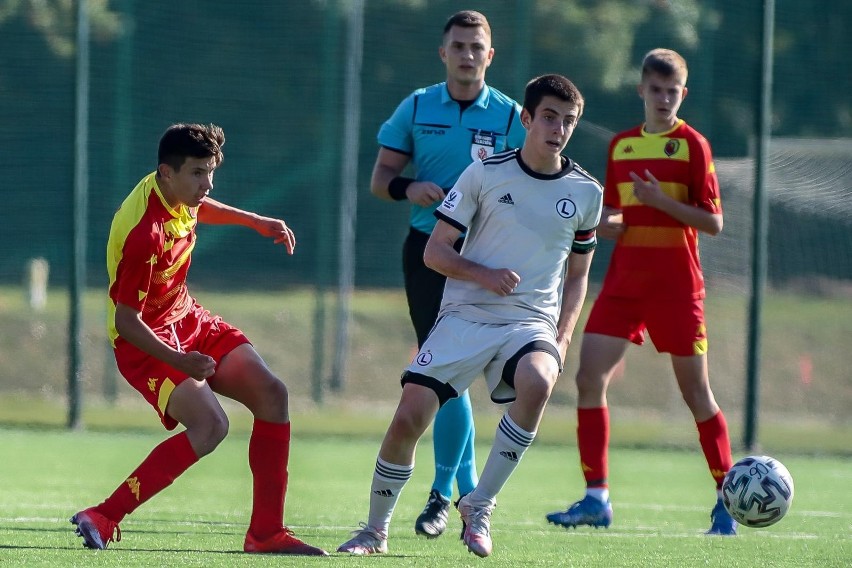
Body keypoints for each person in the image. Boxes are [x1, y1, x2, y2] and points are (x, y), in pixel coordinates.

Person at [338, 74, 603, 558]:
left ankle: (479, 503)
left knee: (539, 380)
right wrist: (484, 274)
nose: (557, 129)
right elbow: (435, 253)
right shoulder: (484, 174)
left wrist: (563, 338)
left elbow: (580, 275)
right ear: (525, 119)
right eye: (548, 117)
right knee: (409, 417)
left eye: (568, 121)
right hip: (465, 313)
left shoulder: (586, 192)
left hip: (530, 321)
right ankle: (374, 531)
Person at [70, 123, 328, 555]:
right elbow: (127, 319)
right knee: (211, 426)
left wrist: (255, 221)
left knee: (272, 395)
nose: (206, 185)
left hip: (188, 317)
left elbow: (198, 207)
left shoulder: (175, 192)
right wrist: (179, 360)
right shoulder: (144, 233)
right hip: (145, 342)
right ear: (166, 173)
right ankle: (103, 514)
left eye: (211, 172)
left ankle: (266, 534)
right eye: (197, 174)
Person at [545, 48, 737, 536]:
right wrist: (596, 221)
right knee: (588, 378)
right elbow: (613, 214)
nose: (664, 99)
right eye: (656, 90)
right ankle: (596, 498)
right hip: (626, 285)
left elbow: (713, 222)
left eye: (673, 92)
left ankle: (725, 497)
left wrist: (658, 202)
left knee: (696, 393)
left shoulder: (694, 146)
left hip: (677, 288)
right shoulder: (622, 146)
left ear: (683, 94)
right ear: (642, 91)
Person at [369, 9, 527, 540]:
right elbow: (380, 180)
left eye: (475, 46)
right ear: (443, 53)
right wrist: (408, 187)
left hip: (484, 261)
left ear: (490, 54)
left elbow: (527, 184)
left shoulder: (509, 116)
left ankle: (450, 494)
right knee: (442, 375)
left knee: (455, 376)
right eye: (457, 46)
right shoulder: (416, 106)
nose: (466, 54)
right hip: (428, 254)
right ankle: (451, 495)